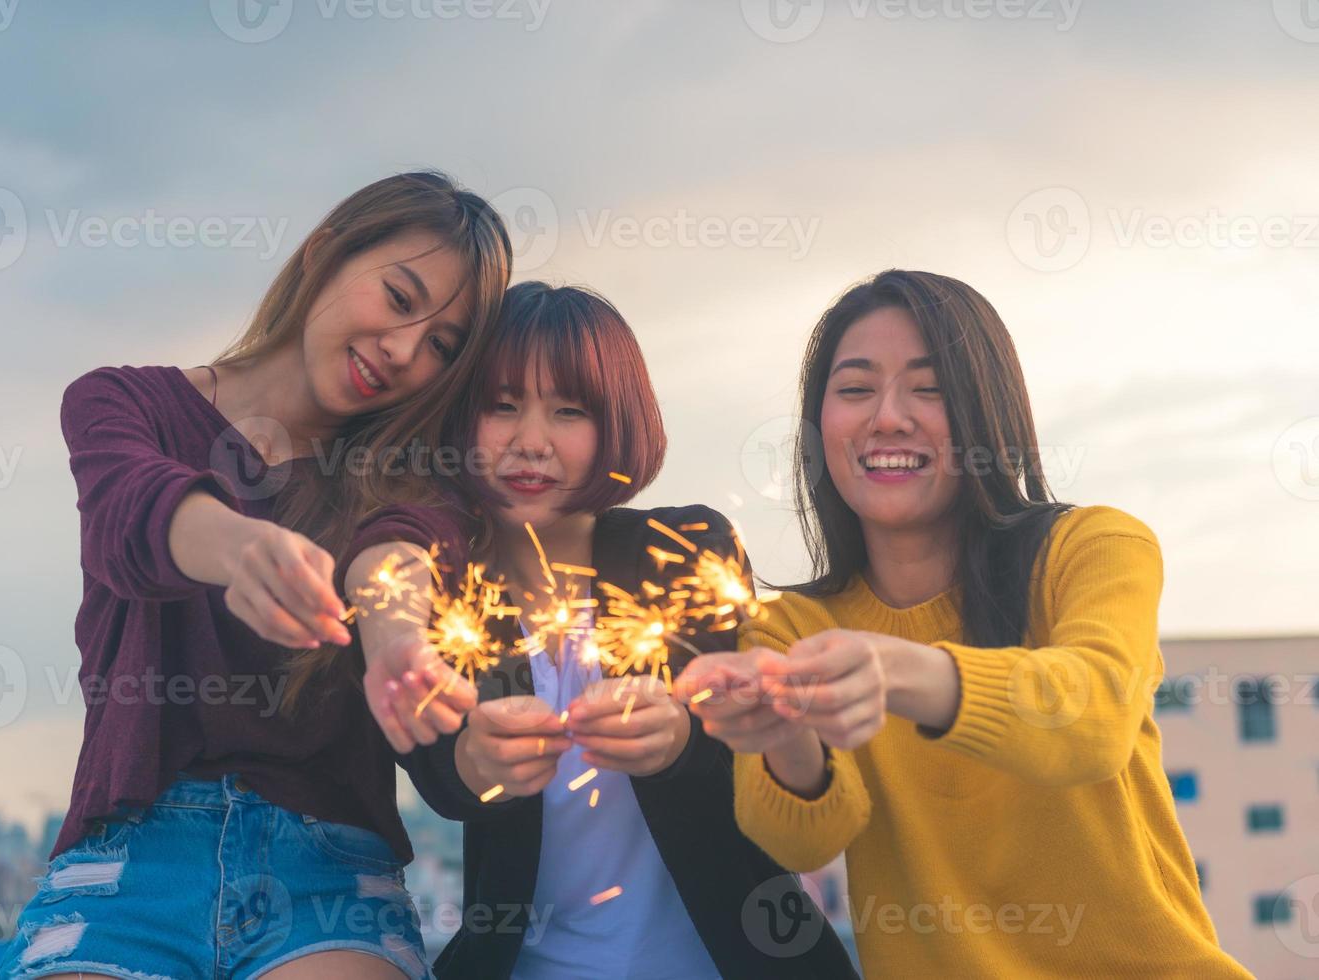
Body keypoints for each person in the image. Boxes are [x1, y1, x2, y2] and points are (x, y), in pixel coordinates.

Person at [0, 172, 510, 980]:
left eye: (442, 345)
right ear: (324, 256)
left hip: (326, 875)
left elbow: (399, 553)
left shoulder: (419, 476)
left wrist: (398, 641)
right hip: (130, 861)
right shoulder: (120, 403)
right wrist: (240, 548)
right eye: (400, 298)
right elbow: (131, 510)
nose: (405, 350)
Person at [677, 269, 1253, 978]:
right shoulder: (790, 626)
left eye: (932, 388)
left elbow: (1093, 717)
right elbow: (806, 842)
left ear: (989, 411)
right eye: (855, 389)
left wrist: (893, 670)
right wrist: (782, 731)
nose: (888, 417)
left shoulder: (1093, 547)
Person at [328, 283, 859, 978]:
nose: (531, 442)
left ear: (616, 426)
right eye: (503, 406)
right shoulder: (444, 588)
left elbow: (749, 748)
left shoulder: (687, 547)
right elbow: (442, 780)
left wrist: (679, 733)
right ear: (460, 419)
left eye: (569, 411)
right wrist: (483, 762)